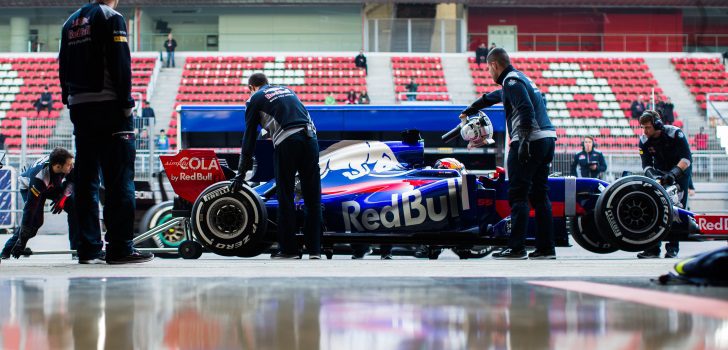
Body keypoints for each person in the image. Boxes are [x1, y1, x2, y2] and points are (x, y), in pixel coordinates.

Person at [59, 0, 153, 264]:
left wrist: (68, 98)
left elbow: (62, 65)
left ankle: (87, 248)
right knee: (119, 180)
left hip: (80, 108)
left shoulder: (70, 22)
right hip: (110, 107)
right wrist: (126, 104)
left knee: (86, 181)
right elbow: (121, 63)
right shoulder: (112, 17)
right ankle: (120, 248)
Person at [460, 47, 557, 260]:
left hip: (531, 141)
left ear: (494, 65)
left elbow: (525, 110)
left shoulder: (511, 82)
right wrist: (471, 108)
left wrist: (521, 142)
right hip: (548, 139)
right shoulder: (518, 79)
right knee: (539, 195)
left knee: (518, 195)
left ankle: (516, 248)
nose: (489, 73)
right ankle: (546, 248)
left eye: (489, 68)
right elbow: (493, 97)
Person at [230, 73, 321, 259]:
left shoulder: (254, 99)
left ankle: (289, 250)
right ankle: (315, 250)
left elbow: (249, 138)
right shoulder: (287, 90)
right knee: (312, 197)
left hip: (288, 142)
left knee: (285, 196)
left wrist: (241, 173)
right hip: (311, 140)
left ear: (251, 87)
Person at [1, 148, 77, 261]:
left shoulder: (66, 166)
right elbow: (29, 210)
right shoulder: (40, 177)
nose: (72, 167)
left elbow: (72, 180)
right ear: (58, 166)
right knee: (35, 223)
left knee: (74, 208)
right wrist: (22, 241)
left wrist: (63, 198)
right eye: (69, 165)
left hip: (52, 184)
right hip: (31, 187)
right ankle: (8, 249)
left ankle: (76, 250)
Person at [637, 110, 692, 259]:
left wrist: (673, 175)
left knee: (676, 210)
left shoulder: (675, 134)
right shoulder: (643, 140)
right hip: (660, 173)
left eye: (647, 127)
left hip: (680, 173)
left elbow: (686, 159)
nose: (645, 130)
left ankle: (673, 248)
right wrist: (654, 177)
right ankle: (653, 249)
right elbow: (646, 165)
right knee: (654, 208)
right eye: (643, 127)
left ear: (657, 124)